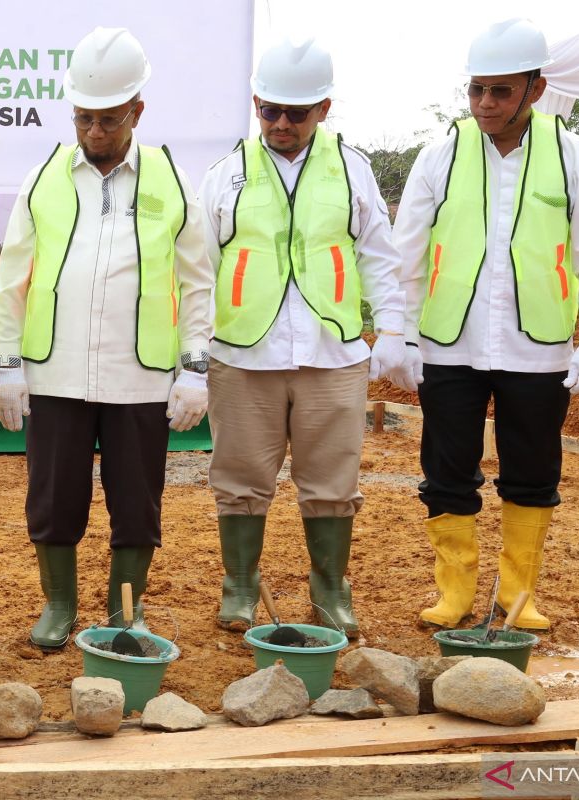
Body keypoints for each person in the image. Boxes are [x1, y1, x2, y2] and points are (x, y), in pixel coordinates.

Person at [393, 19, 579, 631]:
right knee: (446, 468)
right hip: (449, 346)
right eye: (476, 91)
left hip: (539, 350)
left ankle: (517, 595)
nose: (485, 104)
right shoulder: (439, 156)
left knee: (533, 470)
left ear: (535, 89)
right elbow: (406, 251)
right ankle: (456, 592)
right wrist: (399, 333)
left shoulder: (577, 157)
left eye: (500, 91)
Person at [0, 26, 213, 649]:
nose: (94, 134)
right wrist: (7, 366)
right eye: (84, 119)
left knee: (138, 502)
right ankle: (58, 606)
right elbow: (12, 280)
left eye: (108, 120)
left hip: (140, 375)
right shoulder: (45, 177)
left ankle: (124, 612)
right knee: (54, 497)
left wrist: (195, 368)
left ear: (137, 111)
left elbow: (198, 282)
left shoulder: (170, 179)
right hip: (56, 373)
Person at [198, 37, 412, 638]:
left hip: (332, 352)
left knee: (332, 481)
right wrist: (190, 355)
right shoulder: (226, 174)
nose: (282, 124)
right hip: (243, 355)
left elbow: (377, 255)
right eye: (270, 110)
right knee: (238, 479)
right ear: (257, 103)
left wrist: (391, 328)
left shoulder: (352, 168)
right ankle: (240, 585)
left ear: (325, 108)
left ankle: (329, 590)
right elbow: (198, 270)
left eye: (298, 112)